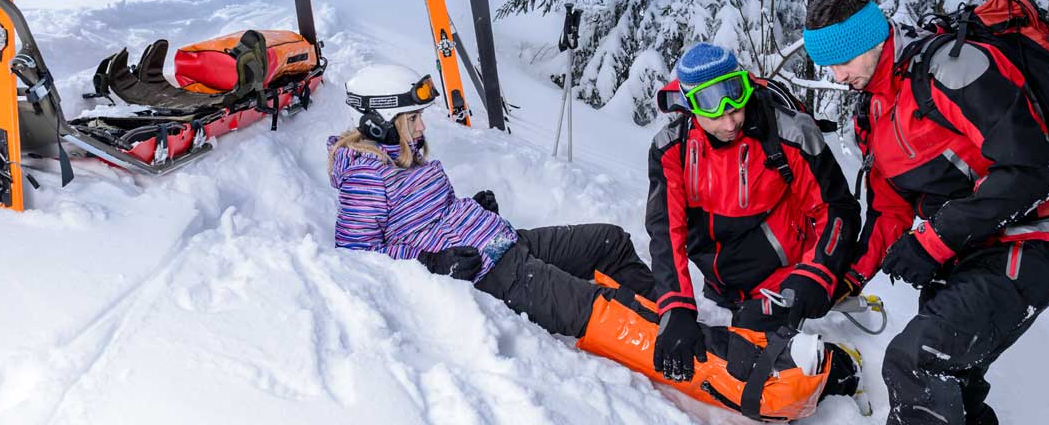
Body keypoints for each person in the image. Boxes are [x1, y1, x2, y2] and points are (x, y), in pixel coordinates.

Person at [330, 64, 864, 421]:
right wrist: (434, 258)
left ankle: (673, 317)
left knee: (607, 242)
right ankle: (774, 379)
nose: (422, 125)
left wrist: (466, 210)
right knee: (610, 312)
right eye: (412, 118)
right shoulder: (363, 174)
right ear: (380, 122)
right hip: (489, 271)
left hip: (502, 241)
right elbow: (358, 254)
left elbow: (420, 215)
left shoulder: (405, 157)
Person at [801, 0, 1049, 425]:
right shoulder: (873, 112)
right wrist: (847, 280)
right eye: (829, 66)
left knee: (917, 362)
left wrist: (932, 241)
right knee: (955, 389)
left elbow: (1033, 170)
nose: (837, 77)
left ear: (874, 39)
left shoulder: (950, 69)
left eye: (843, 61)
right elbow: (891, 210)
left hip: (1031, 241)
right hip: (963, 254)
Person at [645, 43, 862, 379]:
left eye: (737, 106)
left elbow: (837, 210)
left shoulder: (789, 132)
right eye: (715, 113)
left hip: (784, 276)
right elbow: (665, 231)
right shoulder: (671, 149)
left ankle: (841, 367)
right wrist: (676, 306)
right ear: (690, 106)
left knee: (750, 358)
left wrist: (816, 273)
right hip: (721, 280)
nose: (731, 121)